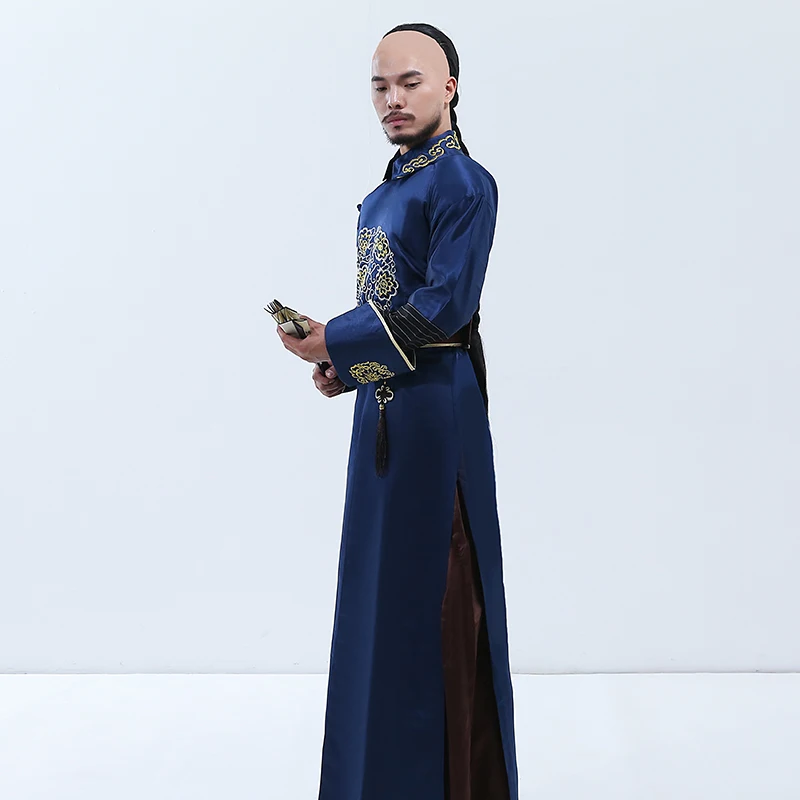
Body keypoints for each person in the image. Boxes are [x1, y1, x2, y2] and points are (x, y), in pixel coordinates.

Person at [276, 23, 519, 800]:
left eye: (410, 82)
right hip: (385, 410)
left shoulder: (463, 183)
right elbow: (388, 304)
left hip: (435, 416)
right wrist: (344, 367)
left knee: (435, 596)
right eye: (380, 86)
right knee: (376, 592)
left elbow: (444, 306)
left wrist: (338, 345)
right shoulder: (384, 191)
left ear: (450, 86)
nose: (393, 98)